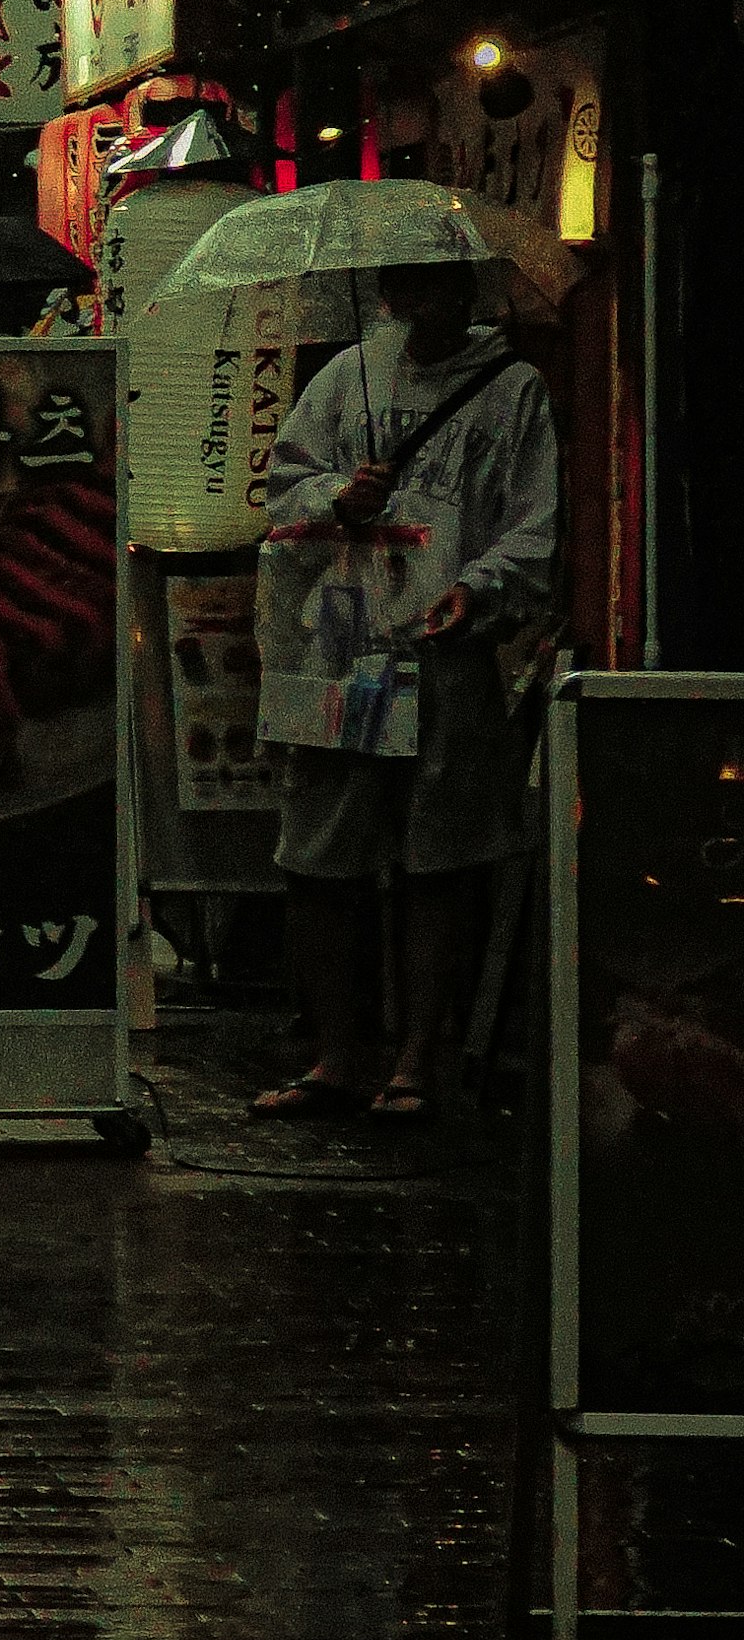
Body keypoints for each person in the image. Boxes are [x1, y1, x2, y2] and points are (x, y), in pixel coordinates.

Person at [251, 255, 559, 1122]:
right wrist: (342, 496)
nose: (417, 304)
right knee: (320, 853)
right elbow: (284, 487)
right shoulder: (348, 375)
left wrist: (485, 586)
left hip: (442, 647)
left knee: (440, 856)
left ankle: (421, 1056)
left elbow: (536, 520)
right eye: (403, 287)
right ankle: (340, 1053)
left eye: (436, 286)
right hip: (340, 644)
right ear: (384, 294)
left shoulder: (513, 387)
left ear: (467, 292)